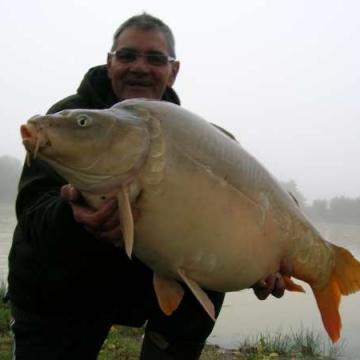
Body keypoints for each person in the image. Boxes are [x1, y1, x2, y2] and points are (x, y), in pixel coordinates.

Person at [7, 13, 291, 360]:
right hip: (60, 289)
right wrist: (72, 219)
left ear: (173, 71)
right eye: (127, 56)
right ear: (109, 63)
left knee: (202, 277)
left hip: (148, 282)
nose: (139, 67)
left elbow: (228, 222)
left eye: (155, 59)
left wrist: (260, 262)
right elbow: (32, 218)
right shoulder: (67, 122)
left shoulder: (197, 137)